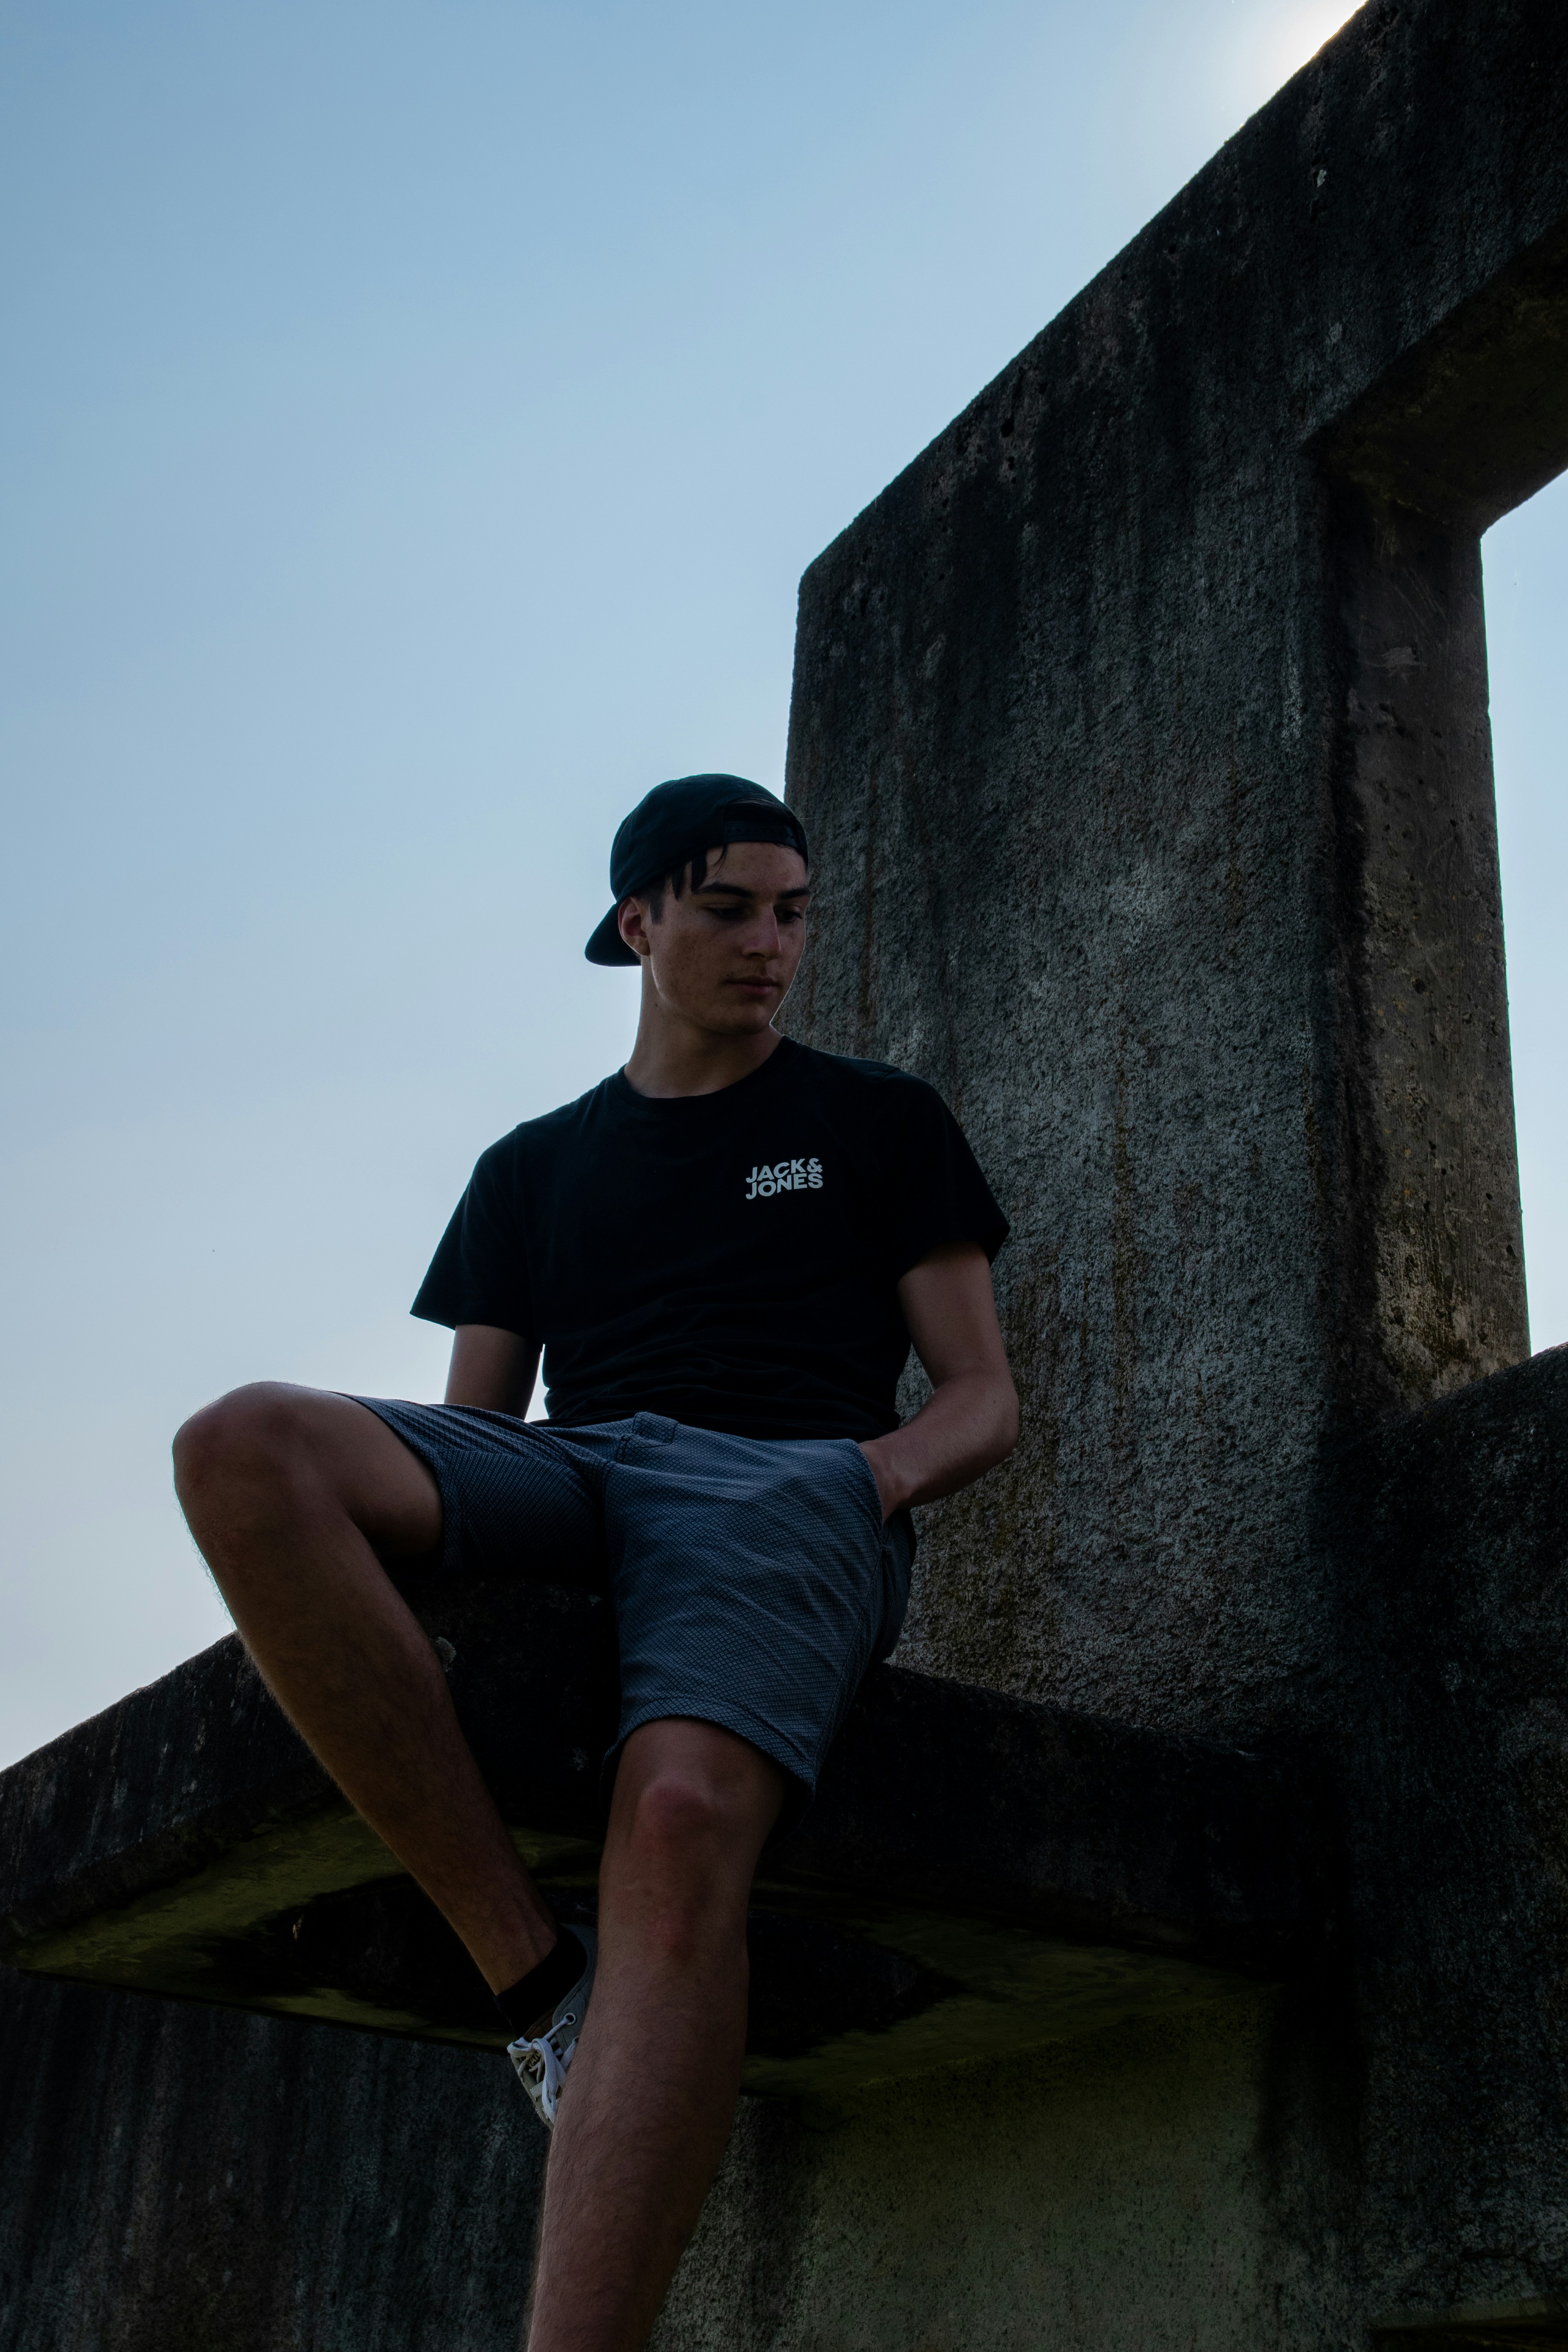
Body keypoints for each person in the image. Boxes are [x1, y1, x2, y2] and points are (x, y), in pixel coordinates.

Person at [172, 772, 1018, 2352]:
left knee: (683, 1812)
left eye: (792, 912)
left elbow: (982, 1399)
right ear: (640, 923)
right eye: (727, 909)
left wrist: (864, 1478)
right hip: (578, 1465)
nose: (769, 943)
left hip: (784, 1485)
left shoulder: (876, 1123)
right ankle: (532, 1982)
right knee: (240, 1444)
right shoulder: (533, 1167)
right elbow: (470, 1440)